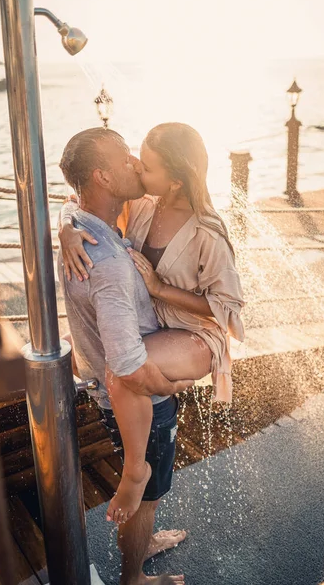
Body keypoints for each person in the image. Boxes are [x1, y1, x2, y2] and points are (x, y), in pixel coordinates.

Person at [59, 123, 245, 527]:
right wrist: (67, 229)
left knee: (121, 371)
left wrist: (160, 288)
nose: (137, 165)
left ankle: (134, 471)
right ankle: (146, 524)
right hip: (156, 331)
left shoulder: (208, 232)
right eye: (135, 156)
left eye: (149, 164)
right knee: (109, 360)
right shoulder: (143, 205)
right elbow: (78, 199)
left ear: (176, 181)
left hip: (195, 335)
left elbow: (227, 308)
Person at [58, 128, 191, 585]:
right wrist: (174, 385)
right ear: (103, 177)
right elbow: (130, 366)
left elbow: (67, 204)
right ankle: (133, 576)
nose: (135, 162)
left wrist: (64, 224)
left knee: (145, 497)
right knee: (146, 497)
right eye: (125, 158)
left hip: (107, 394)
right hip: (141, 403)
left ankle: (144, 538)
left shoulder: (83, 224)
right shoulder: (110, 262)